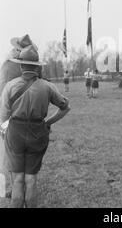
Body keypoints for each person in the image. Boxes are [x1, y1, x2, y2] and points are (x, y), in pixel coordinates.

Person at [0, 45, 70, 208]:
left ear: (21, 65)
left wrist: (5, 134)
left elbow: (3, 117)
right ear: (37, 66)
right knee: (31, 180)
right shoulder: (47, 86)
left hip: (15, 132)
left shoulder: (10, 86)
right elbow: (65, 107)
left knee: (17, 179)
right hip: (38, 133)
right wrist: (48, 122)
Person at [0, 34, 38, 199]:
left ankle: (15, 187)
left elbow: (3, 91)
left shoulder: (8, 65)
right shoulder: (35, 67)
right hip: (31, 116)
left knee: (9, 154)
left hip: (10, 115)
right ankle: (24, 187)